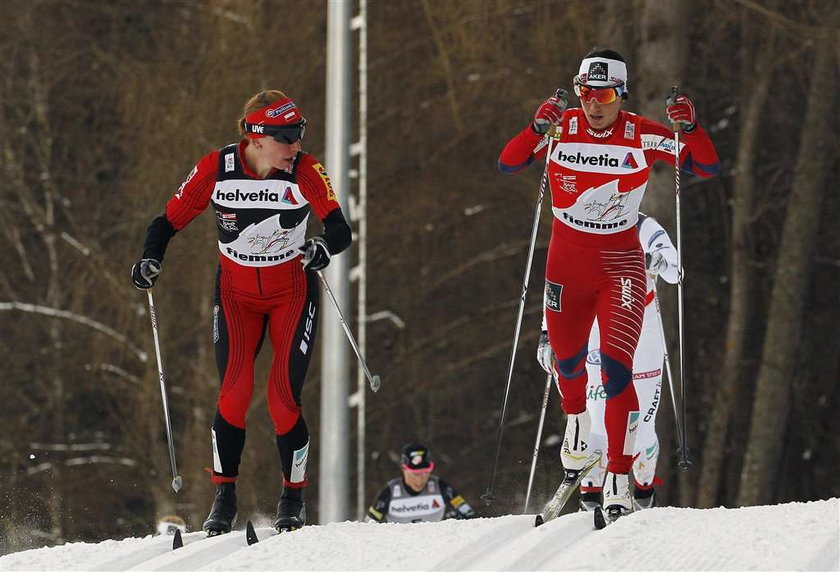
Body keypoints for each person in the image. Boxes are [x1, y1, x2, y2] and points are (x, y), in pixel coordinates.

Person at [499, 48, 718, 522]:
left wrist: (691, 128)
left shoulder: (641, 133)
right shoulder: (562, 128)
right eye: (585, 92)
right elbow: (509, 163)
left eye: (602, 94)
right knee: (568, 363)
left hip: (620, 264)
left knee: (616, 372)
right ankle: (576, 418)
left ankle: (619, 475)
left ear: (620, 94)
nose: (593, 103)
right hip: (566, 263)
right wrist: (537, 129)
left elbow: (705, 166)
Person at [131, 90, 352, 536]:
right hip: (236, 296)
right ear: (256, 137)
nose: (296, 145)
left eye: (300, 133)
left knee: (282, 400)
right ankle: (224, 496)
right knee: (233, 393)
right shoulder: (216, 168)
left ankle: (293, 496)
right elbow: (167, 220)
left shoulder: (307, 170)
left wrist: (322, 247)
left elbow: (339, 228)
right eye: (287, 136)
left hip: (291, 293)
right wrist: (150, 258)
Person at [538, 213, 678, 512]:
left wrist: (658, 261)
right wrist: (547, 333)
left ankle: (643, 481)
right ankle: (593, 488)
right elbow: (557, 284)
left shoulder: (643, 225)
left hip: (639, 324)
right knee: (596, 414)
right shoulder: (577, 224)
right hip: (591, 323)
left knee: (640, 423)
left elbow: (675, 270)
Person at [366, 443, 476, 523]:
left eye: (425, 473)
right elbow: (369, 524)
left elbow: (468, 512)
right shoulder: (390, 491)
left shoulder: (439, 486)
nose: (420, 479)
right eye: (415, 474)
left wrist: (456, 519)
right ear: (404, 470)